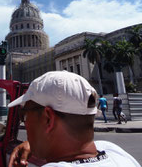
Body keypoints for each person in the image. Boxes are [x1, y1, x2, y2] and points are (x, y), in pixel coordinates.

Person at [8, 71, 139, 167]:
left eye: (23, 115)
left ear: (48, 118)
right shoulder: (114, 152)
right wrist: (36, 143)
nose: (24, 122)